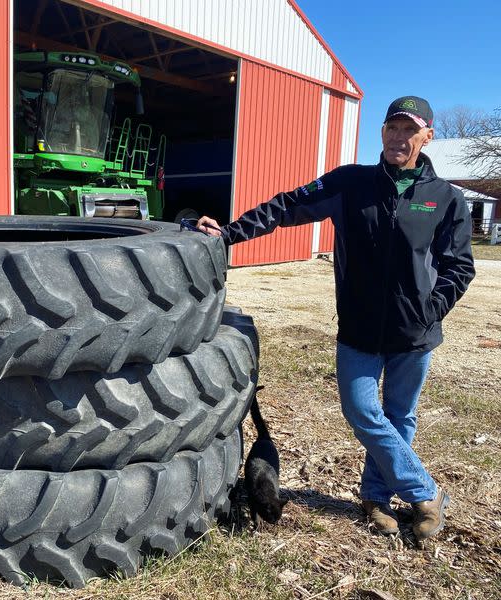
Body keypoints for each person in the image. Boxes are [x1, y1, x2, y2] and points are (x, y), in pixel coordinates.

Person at [197, 96, 475, 541]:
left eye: (409, 130)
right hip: (360, 331)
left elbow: (460, 266)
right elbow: (286, 207)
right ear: (382, 133)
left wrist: (430, 310)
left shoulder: (446, 198)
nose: (399, 138)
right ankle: (425, 492)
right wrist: (229, 233)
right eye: (392, 128)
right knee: (362, 410)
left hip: (415, 335)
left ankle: (375, 498)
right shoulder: (351, 183)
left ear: (428, 137)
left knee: (400, 417)